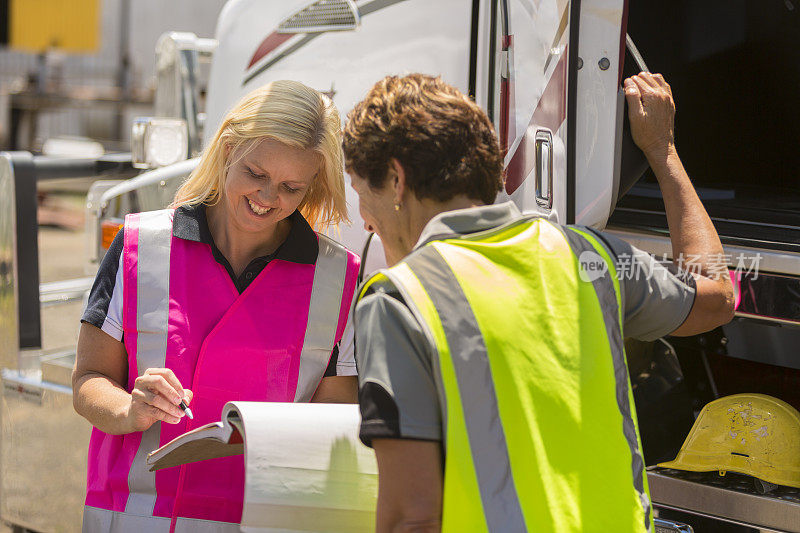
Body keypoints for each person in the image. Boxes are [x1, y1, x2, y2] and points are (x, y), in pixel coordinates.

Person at [342, 72, 734, 532]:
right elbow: (717, 295)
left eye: (359, 192)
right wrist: (662, 151)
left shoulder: (398, 301)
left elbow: (412, 518)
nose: (365, 221)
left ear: (396, 178)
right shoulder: (590, 257)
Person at [73, 80, 360, 531]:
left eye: (291, 187)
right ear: (228, 150)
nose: (267, 198)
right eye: (256, 174)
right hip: (135, 516)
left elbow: (336, 424)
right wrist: (129, 408)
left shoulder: (339, 277)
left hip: (264, 521)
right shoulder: (139, 245)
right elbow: (88, 380)